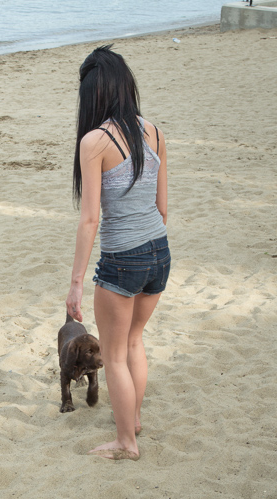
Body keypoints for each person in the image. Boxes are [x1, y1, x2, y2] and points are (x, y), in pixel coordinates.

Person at [65, 45, 170, 461]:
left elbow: (90, 219)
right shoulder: (154, 131)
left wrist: (76, 283)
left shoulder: (95, 141)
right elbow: (162, 208)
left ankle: (126, 442)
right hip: (159, 250)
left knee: (112, 355)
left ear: (93, 93)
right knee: (133, 342)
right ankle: (134, 420)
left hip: (123, 259)